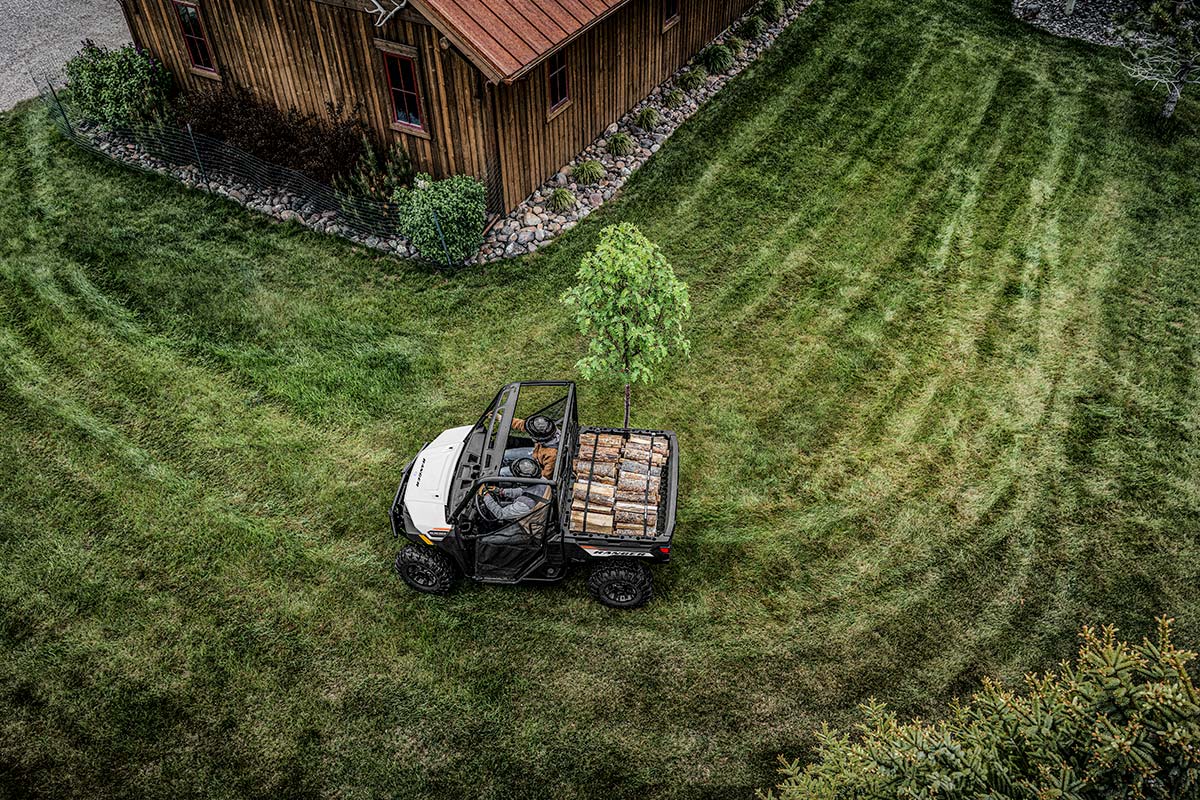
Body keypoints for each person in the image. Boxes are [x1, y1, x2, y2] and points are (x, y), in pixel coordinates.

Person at [480, 457, 551, 523]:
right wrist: (502, 491)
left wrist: (485, 495)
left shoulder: (524, 505)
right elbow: (526, 492)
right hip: (539, 510)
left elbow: (500, 514)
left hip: (529, 528)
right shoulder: (542, 480)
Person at [501, 413, 560, 478]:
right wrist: (500, 418)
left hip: (536, 469)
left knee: (502, 472)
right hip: (535, 453)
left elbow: (546, 475)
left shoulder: (552, 455)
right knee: (504, 455)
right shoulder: (547, 429)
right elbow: (523, 425)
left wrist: (529, 471)